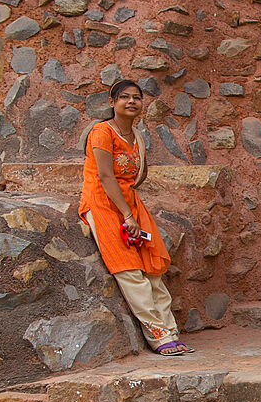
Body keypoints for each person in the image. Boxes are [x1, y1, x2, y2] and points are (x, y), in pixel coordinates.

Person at [79, 80, 190, 356]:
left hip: (129, 202)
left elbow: (136, 177)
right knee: (128, 269)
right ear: (112, 102)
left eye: (136, 98)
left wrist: (131, 210)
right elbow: (105, 176)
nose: (131, 102)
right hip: (102, 202)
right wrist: (127, 215)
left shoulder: (137, 137)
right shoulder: (101, 132)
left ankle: (171, 331)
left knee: (153, 268)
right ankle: (157, 335)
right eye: (124, 97)